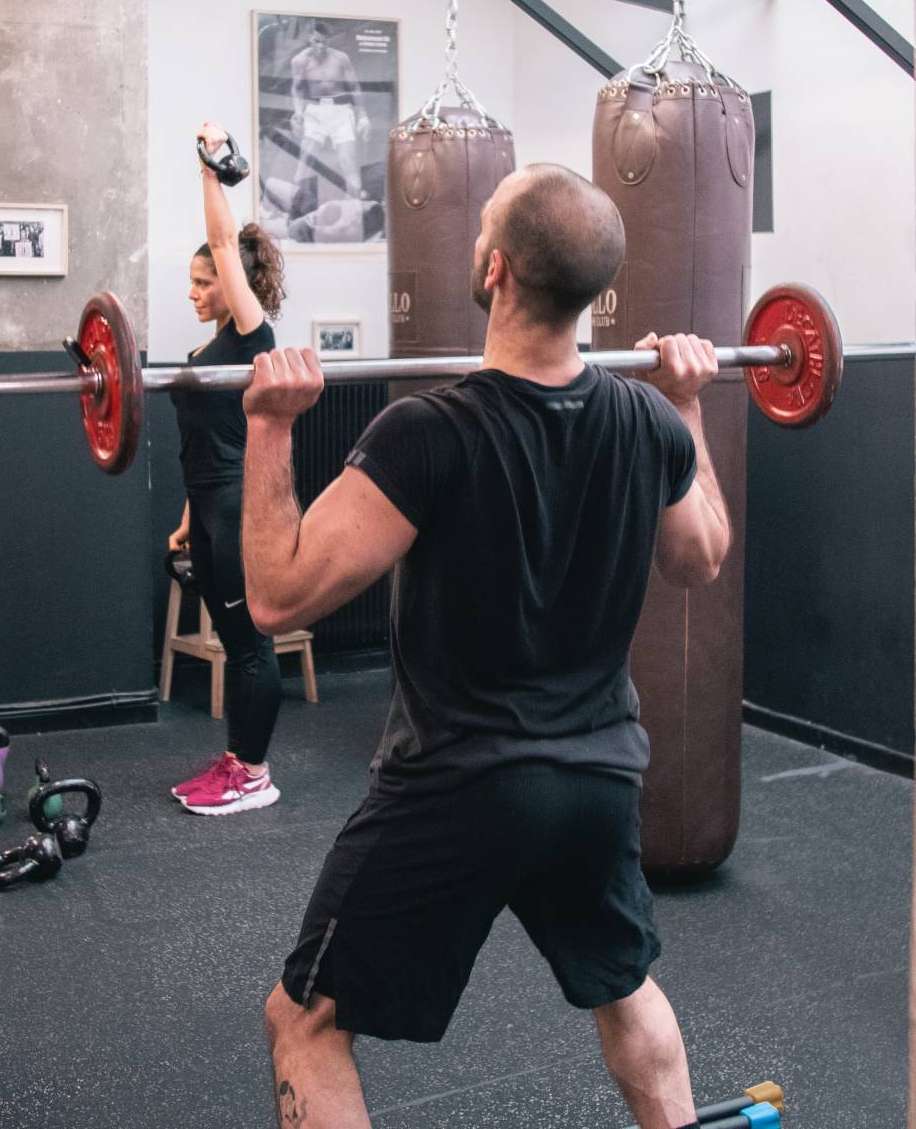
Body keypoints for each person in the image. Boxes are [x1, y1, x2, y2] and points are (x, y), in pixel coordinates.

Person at [241, 163, 731, 1129]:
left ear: (495, 267)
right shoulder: (645, 420)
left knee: (304, 1021)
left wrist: (267, 427)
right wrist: (688, 405)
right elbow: (702, 555)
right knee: (625, 990)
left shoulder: (429, 432)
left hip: (459, 786)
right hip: (597, 778)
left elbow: (275, 597)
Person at [166, 120, 287, 817]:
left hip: (239, 509)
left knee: (247, 645)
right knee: (233, 638)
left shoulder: (252, 335)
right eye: (192, 283)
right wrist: (186, 521)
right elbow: (208, 439)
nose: (194, 292)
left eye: (203, 282)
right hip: (208, 509)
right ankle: (238, 755)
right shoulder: (214, 350)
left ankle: (255, 772)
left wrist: (210, 170)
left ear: (233, 283)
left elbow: (222, 240)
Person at [290, 22, 370, 198]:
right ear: (309, 38)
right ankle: (294, 206)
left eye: (324, 42)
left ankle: (354, 206)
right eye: (316, 41)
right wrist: (298, 112)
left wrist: (362, 116)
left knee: (348, 161)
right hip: (314, 110)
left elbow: (354, 87)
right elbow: (297, 88)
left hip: (340, 111)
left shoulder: (340, 58)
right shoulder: (299, 61)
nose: (320, 46)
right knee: (305, 159)